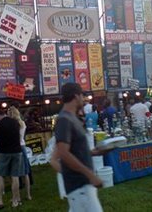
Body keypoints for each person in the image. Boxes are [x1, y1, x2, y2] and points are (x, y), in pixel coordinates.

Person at [55, 82, 104, 212]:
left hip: (83, 186)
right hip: (79, 186)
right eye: (82, 95)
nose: (84, 99)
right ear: (76, 96)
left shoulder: (72, 118)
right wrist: (90, 174)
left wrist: (92, 153)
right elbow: (64, 154)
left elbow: (74, 150)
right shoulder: (64, 119)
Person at [0, 109, 24, 209]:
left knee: (1, 176)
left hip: (4, 152)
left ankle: (0, 201)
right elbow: (19, 137)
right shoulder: (15, 122)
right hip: (17, 151)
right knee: (15, 176)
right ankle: (15, 201)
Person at [8, 106, 32, 201]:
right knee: (25, 172)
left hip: (14, 147)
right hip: (22, 146)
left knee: (14, 174)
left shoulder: (11, 124)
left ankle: (16, 196)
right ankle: (28, 195)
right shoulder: (22, 123)